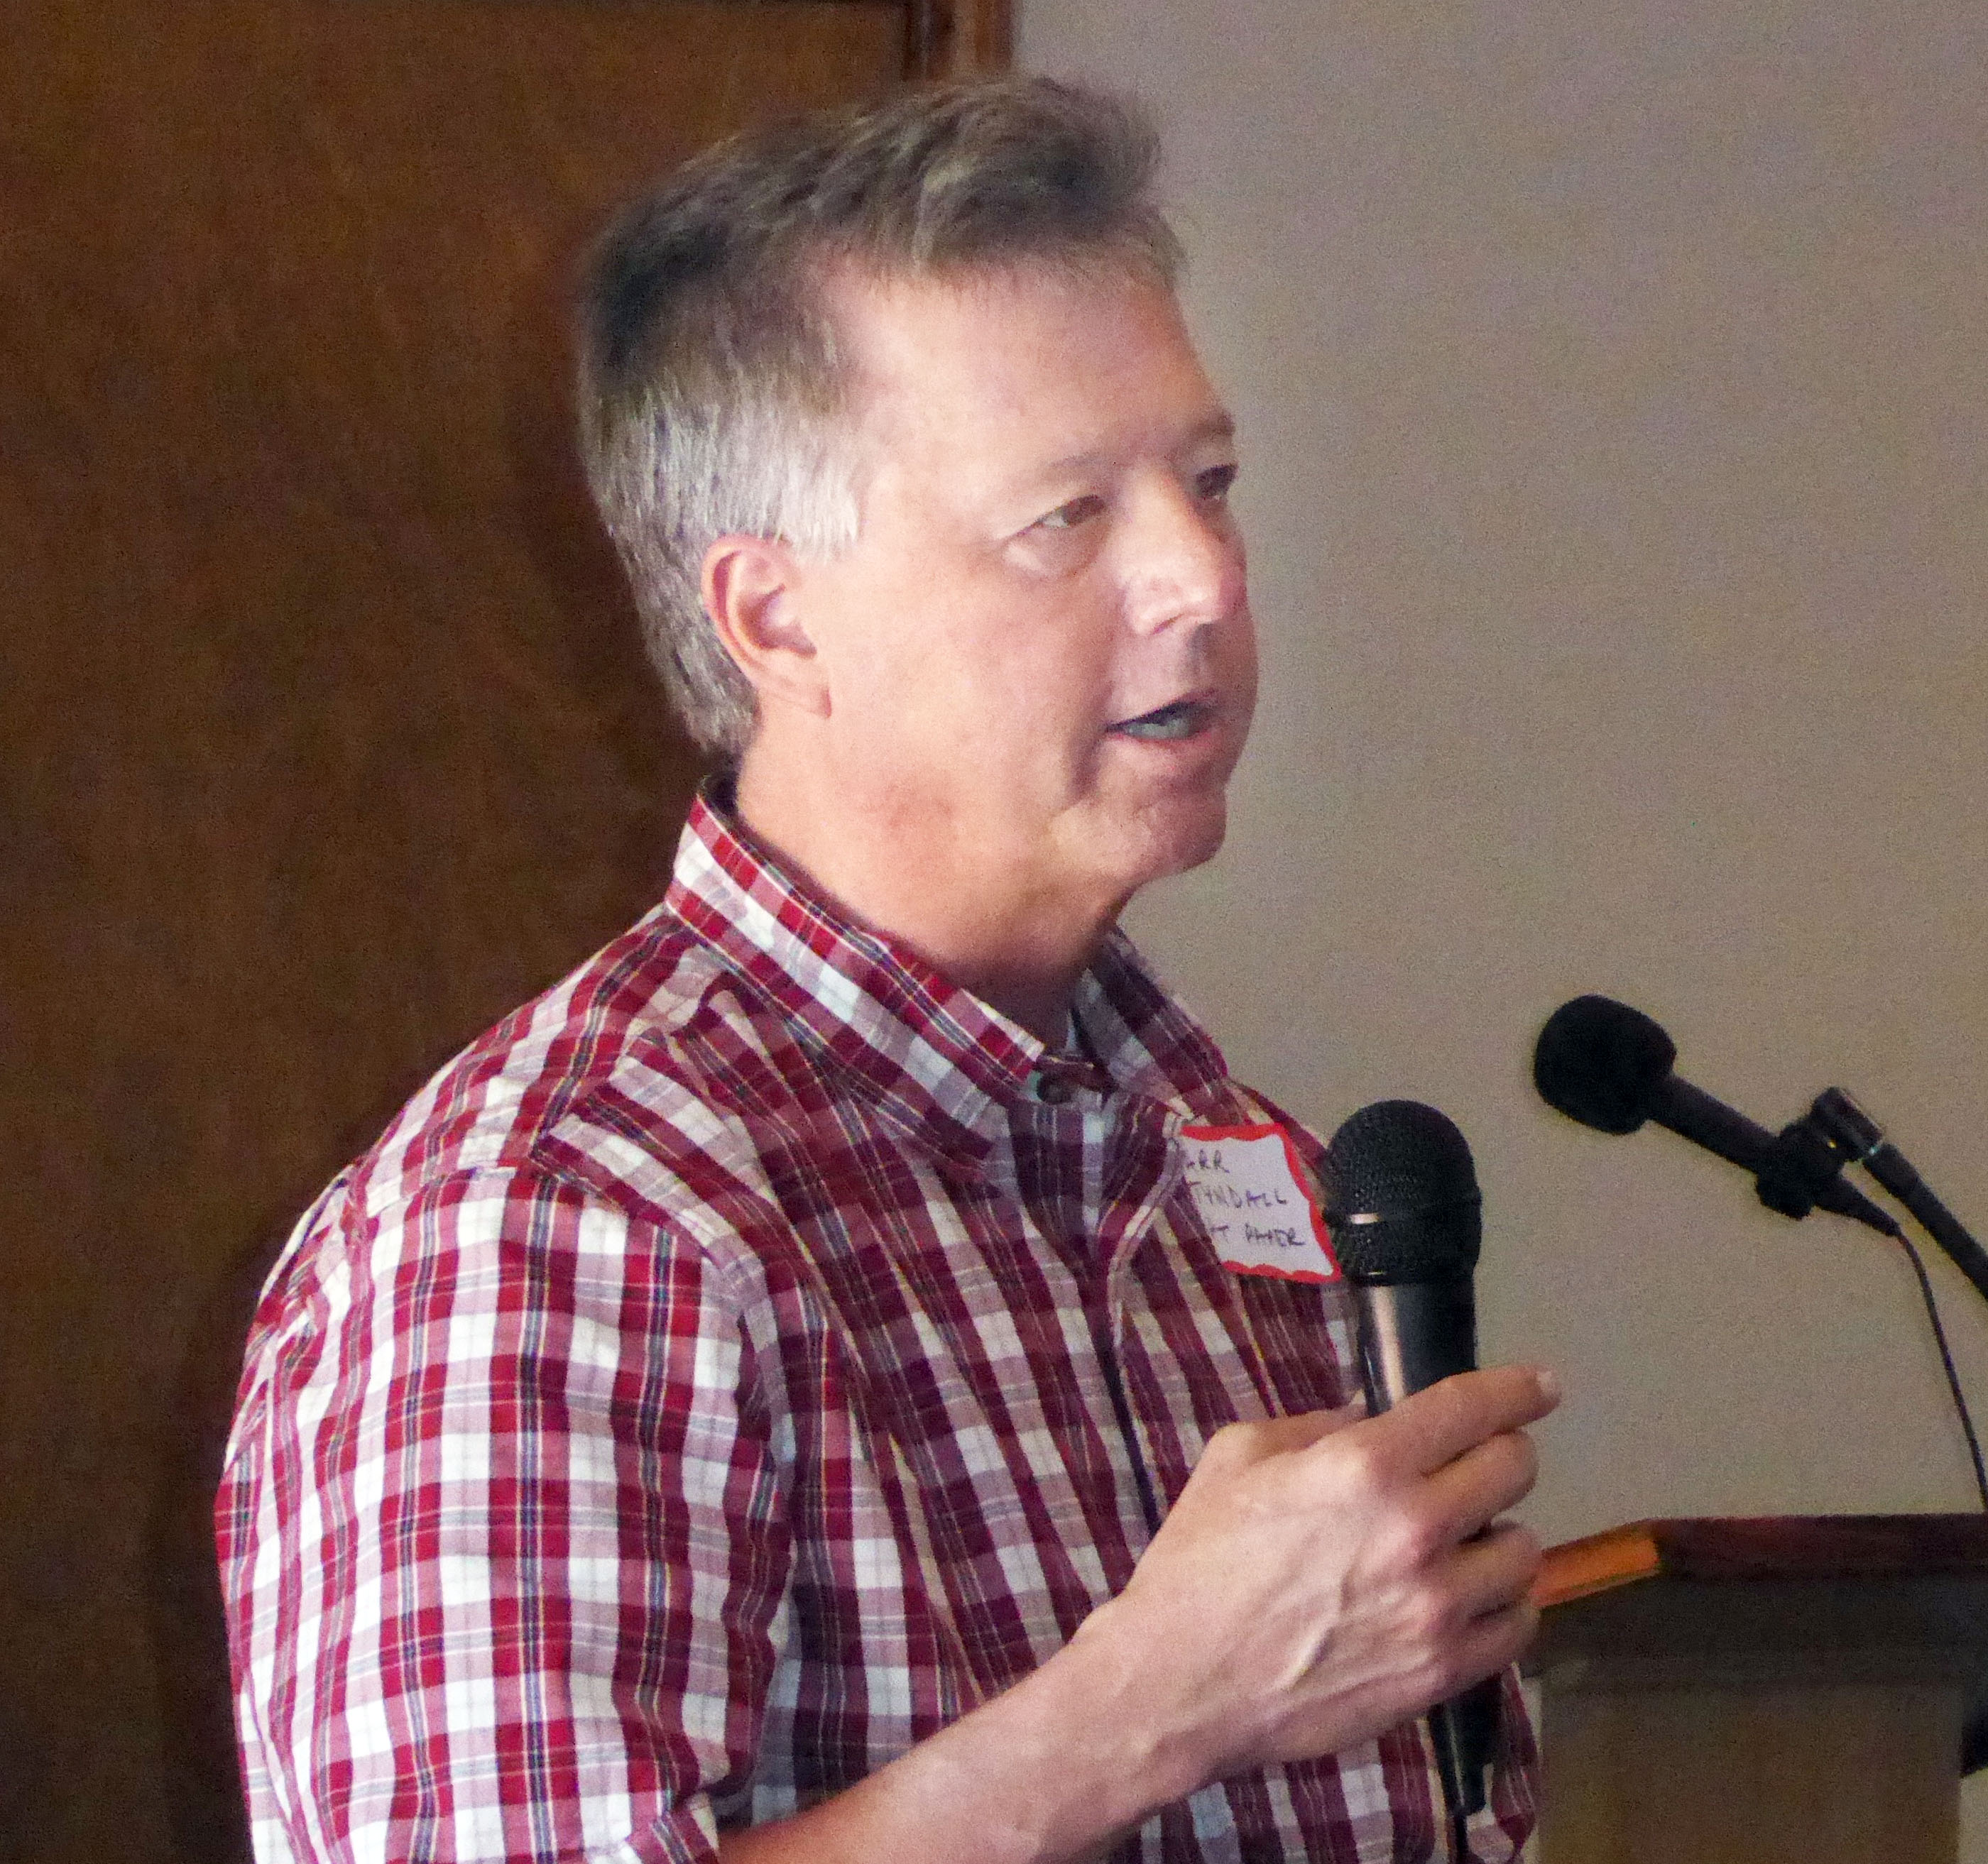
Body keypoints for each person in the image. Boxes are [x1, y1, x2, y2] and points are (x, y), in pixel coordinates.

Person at [217, 76, 1556, 1864]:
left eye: (1208, 482)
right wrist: (1145, 1707)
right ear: (777, 618)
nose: (1202, 577)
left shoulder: (1245, 1173)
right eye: (1064, 517)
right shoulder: (557, 1220)